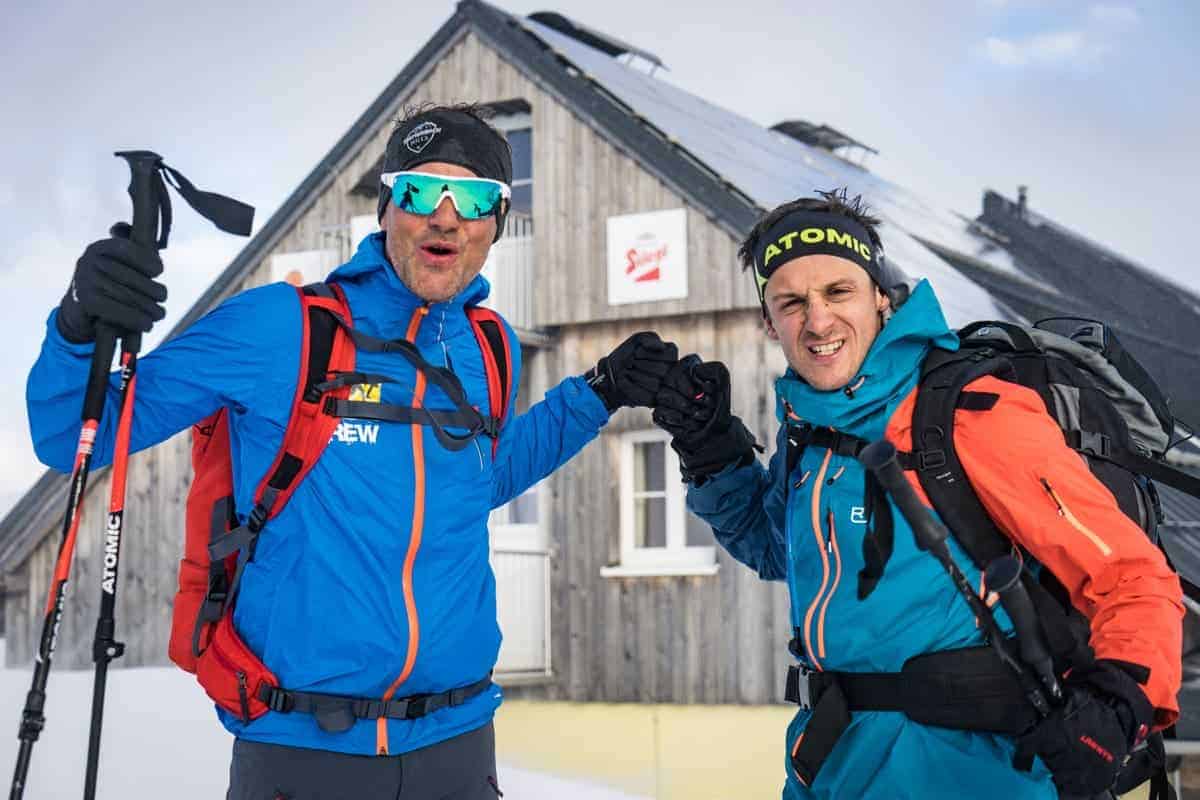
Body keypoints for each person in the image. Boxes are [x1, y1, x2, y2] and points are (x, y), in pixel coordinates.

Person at [27, 104, 679, 799]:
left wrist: (597, 394)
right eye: (422, 191)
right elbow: (71, 434)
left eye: (474, 198)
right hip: (302, 750)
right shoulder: (281, 328)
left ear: (497, 220)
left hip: (458, 747)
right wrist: (78, 319)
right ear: (388, 207)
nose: (446, 217)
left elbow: (476, 482)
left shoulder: (490, 346)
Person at [651, 189, 1183, 799]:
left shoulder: (969, 413)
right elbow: (781, 552)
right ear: (768, 320)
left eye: (838, 292)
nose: (818, 322)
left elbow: (1134, 576)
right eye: (792, 302)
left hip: (969, 777)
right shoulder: (811, 427)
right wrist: (711, 451)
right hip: (833, 768)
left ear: (881, 295)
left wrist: (1117, 707)